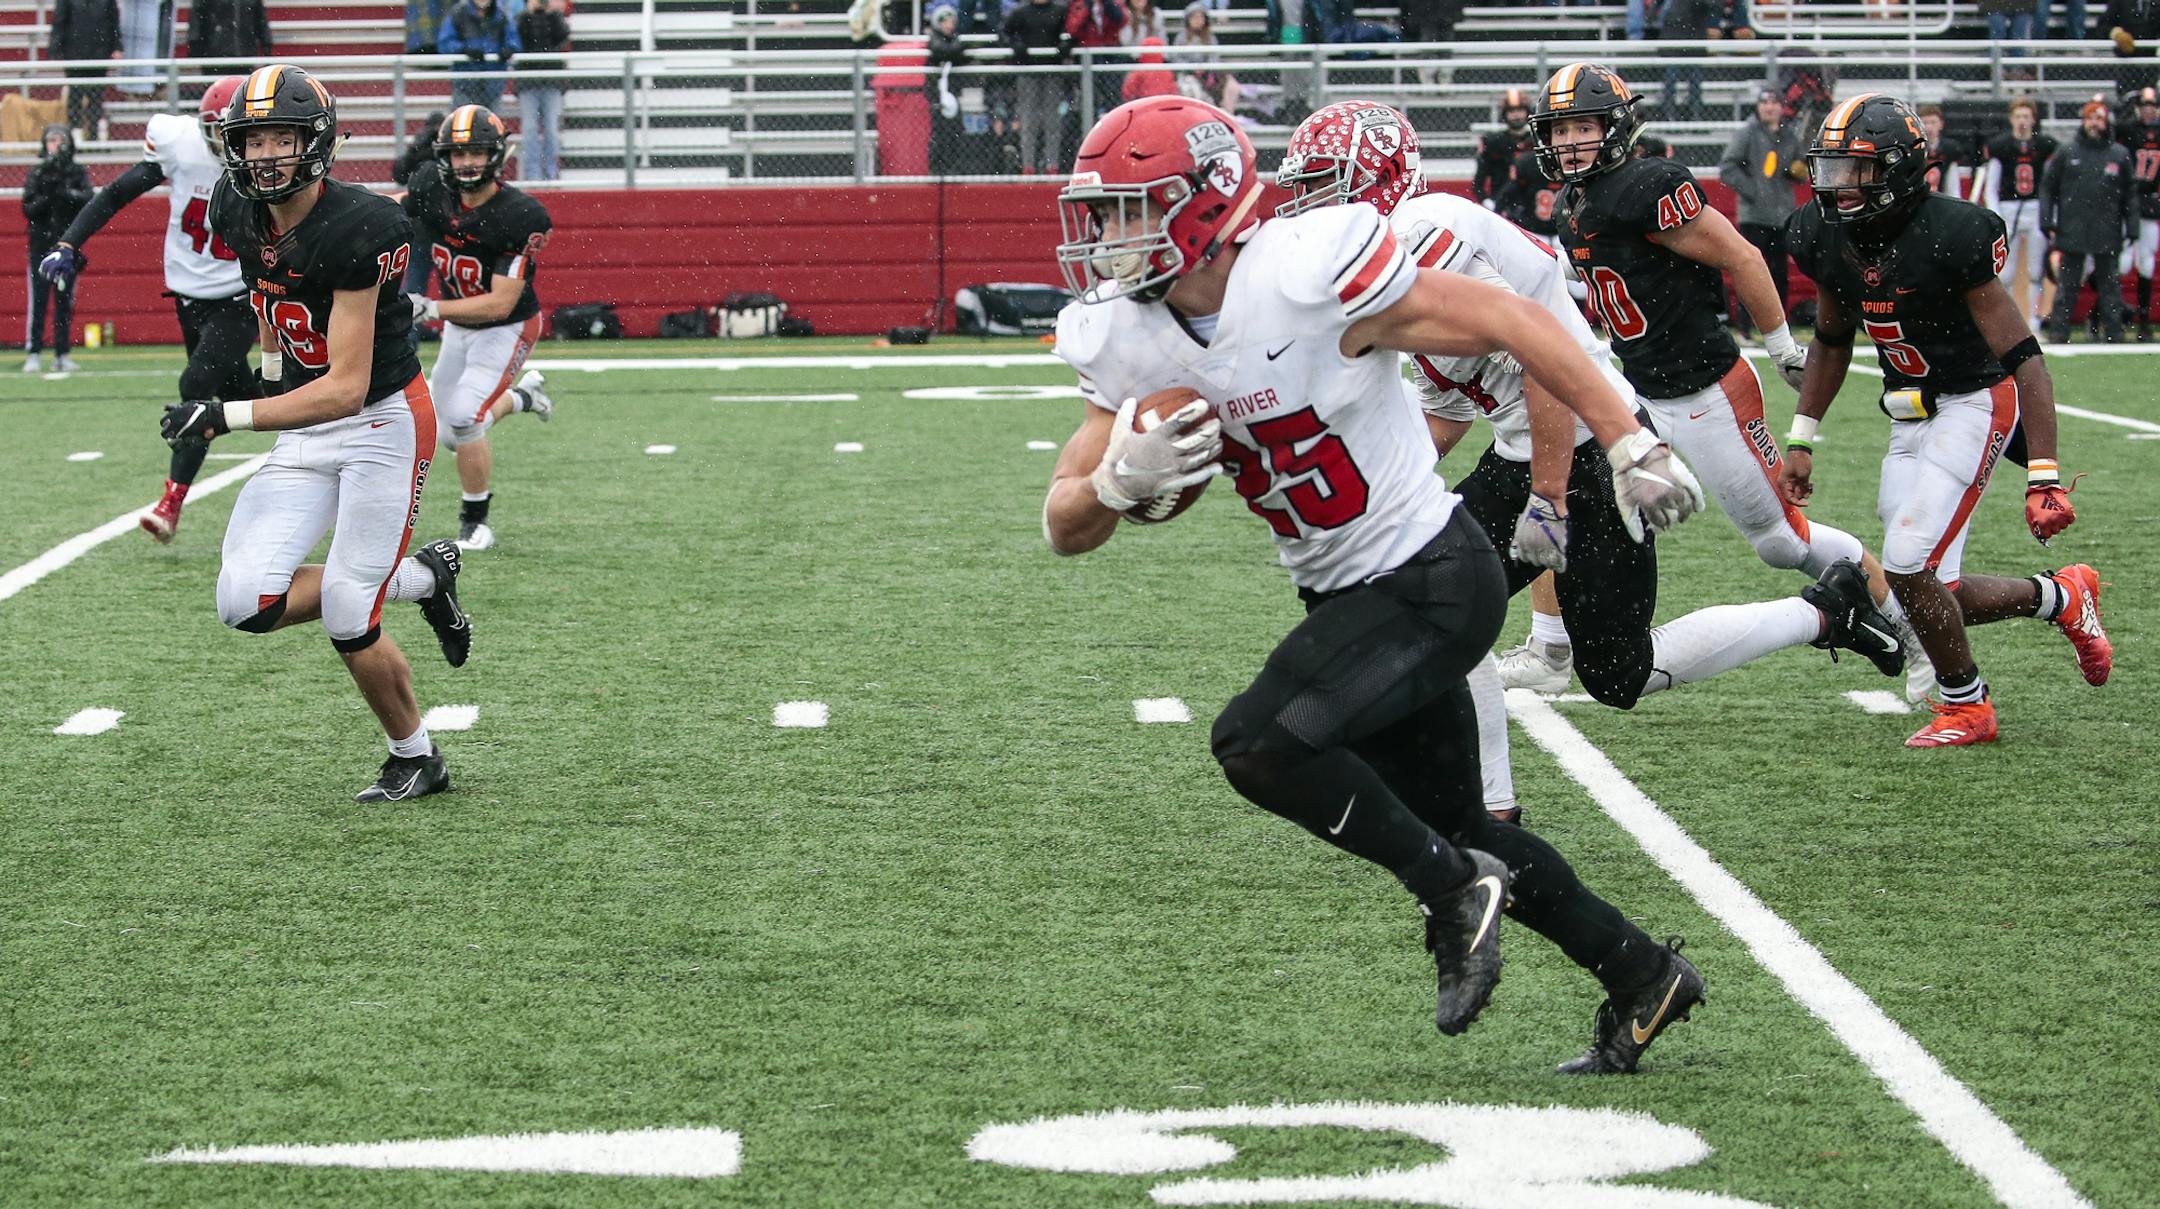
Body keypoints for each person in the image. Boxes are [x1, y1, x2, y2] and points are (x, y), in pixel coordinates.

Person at [1046, 95, 1711, 1072]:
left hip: (1432, 575)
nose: (1109, 237)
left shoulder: (1308, 271)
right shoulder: (1123, 335)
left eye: (1130, 210)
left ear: (1207, 200)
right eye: (1101, 214)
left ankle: (1450, 890)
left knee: (1255, 742)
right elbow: (1064, 523)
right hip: (1347, 596)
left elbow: (1514, 318)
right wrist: (1112, 483)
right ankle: (1643, 973)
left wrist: (1627, 442)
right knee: (1460, 824)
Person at [1278, 100, 1900, 812]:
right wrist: (1361, 490)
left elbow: (1544, 359)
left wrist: (1548, 497)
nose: (1305, 203)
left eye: (1321, 183)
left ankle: (1824, 612)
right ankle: (1493, 809)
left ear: (1378, 179)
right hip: (1526, 454)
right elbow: (1449, 410)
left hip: (1590, 453)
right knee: (1433, 604)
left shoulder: (1424, 234)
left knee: (1615, 672)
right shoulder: (1387, 257)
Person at [1515, 63, 1912, 696]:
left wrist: (1782, 348)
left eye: (1582, 127)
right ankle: (1548, 645)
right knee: (1561, 489)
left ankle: (1907, 627)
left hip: (1707, 392)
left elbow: (1742, 256)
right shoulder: (1572, 202)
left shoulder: (1649, 185)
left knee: (1782, 543)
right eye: (1559, 130)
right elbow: (1605, 277)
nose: (1567, 143)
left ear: (1615, 127)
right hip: (1641, 394)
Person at [174, 64, 474, 802]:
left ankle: (416, 757)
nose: (265, 154)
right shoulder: (234, 206)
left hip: (380, 420)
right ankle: (425, 577)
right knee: (244, 601)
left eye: (281, 138)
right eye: (252, 139)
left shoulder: (360, 227)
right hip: (307, 420)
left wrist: (226, 414)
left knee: (346, 608)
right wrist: (269, 373)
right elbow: (267, 294)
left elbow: (345, 386)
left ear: (317, 142)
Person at [1785, 92, 2110, 746]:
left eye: (1857, 170)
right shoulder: (1824, 234)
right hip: (1907, 413)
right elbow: (1832, 339)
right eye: (1833, 168)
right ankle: (2061, 596)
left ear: (1900, 170)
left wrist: (2043, 475)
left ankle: (1968, 706)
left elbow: (2025, 358)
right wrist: (1803, 435)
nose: (1839, 185)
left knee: (1906, 563)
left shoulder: (1951, 232)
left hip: (1975, 401)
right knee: (1932, 589)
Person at [40, 78, 259, 543]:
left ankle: (170, 502)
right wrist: (69, 242)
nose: (226, 143)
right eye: (217, 132)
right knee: (243, 391)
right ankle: (316, 407)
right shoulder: (179, 144)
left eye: (236, 133)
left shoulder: (267, 162)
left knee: (195, 389)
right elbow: (117, 194)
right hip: (188, 295)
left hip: (240, 296)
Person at [403, 105, 556, 552]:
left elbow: (501, 302)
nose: (467, 162)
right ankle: (524, 398)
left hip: (507, 327)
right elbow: (395, 208)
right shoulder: (432, 188)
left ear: (496, 155)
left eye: (477, 152)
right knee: (449, 433)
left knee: (465, 416)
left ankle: (475, 521)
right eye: (459, 153)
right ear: (444, 157)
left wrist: (430, 308)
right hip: (459, 322)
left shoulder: (519, 215)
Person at [2040, 98, 2137, 343]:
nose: (2094, 124)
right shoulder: (2067, 151)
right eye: (2090, 118)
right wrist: (2046, 220)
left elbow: (2130, 194)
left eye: (2098, 119)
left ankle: (2114, 332)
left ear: (2106, 122)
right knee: (2067, 286)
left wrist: (2132, 227)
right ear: (2083, 121)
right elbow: (2048, 187)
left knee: (2110, 287)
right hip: (2073, 228)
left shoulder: (2119, 154)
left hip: (2107, 229)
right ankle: (2059, 332)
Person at [1718, 88, 1805, 336]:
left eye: (1774, 102)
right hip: (1754, 216)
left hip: (1781, 215)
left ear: (1781, 107)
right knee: (1749, 271)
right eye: (1765, 102)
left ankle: (1780, 327)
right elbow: (1728, 168)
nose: (1769, 107)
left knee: (1779, 275)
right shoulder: (1747, 133)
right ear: (1758, 106)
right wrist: (1754, 191)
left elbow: (1799, 170)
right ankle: (1745, 327)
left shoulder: (1789, 135)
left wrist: (1798, 171)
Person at [1983, 98, 2059, 330]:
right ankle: (2008, 322)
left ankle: (2034, 320)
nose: (2022, 121)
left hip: (2035, 207)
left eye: (2026, 116)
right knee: (2005, 272)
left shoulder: (2044, 145)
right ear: (2011, 119)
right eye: (2018, 116)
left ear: (2034, 119)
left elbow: (2050, 184)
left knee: (2036, 270)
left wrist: (2049, 213)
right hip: (2009, 207)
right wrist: (1997, 216)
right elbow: (1991, 187)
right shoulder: (2000, 146)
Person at [21, 125, 91, 375]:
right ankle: (34, 352)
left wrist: (65, 193)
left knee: (64, 302)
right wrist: (49, 195)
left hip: (67, 246)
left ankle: (62, 353)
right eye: (52, 140)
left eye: (61, 140)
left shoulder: (76, 172)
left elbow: (87, 201)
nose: (56, 145)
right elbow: (29, 208)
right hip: (41, 246)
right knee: (39, 301)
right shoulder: (38, 172)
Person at [1001, 0, 1070, 175]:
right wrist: (1016, 45)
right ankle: (1028, 166)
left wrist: (1065, 45)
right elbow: (1004, 34)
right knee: (1028, 120)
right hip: (1028, 71)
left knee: (1052, 121)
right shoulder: (1020, 12)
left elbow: (1071, 33)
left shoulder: (1060, 11)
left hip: (1052, 71)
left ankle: (1052, 165)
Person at [2117, 86, 2160, 339]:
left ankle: (2143, 319)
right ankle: (2106, 313)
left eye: (2152, 107)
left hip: (2151, 203)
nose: (2148, 112)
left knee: (2146, 263)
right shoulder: (2130, 130)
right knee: (2122, 263)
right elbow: (2114, 127)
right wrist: (2126, 107)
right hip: (2128, 201)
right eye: (2144, 107)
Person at [50, 0, 122, 138]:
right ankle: (76, 133)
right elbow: (59, 21)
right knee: (75, 94)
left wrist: (117, 46)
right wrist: (55, 49)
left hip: (99, 52)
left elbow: (113, 20)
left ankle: (93, 134)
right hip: (74, 53)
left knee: (95, 95)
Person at [516, 0, 569, 182]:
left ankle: (550, 172)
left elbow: (561, 37)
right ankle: (532, 174)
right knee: (530, 129)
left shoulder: (555, 18)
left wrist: (551, 14)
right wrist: (529, 15)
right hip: (528, 82)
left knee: (551, 129)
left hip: (551, 81)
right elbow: (519, 39)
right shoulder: (522, 19)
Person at [439, 0, 519, 112]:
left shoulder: (502, 14)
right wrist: (464, 49)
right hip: (465, 83)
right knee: (465, 120)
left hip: (493, 85)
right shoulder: (458, 13)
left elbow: (513, 40)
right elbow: (445, 43)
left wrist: (509, 49)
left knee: (491, 121)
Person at [1472, 89, 1534, 212]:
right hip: (1502, 204)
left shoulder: (1536, 140)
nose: (1516, 115)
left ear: (1527, 112)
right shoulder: (1493, 142)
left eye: (1520, 110)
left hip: (1531, 206)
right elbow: (1479, 182)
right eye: (1512, 111)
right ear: (1505, 114)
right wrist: (1486, 201)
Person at [186, 0, 272, 61]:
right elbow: (197, 17)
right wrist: (194, 44)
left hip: (243, 52)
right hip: (214, 53)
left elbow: (260, 19)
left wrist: (266, 44)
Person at [2107, 0, 2160, 97]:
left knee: (2152, 99)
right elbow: (2105, 25)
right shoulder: (2120, 2)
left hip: (2154, 63)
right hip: (2127, 63)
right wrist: (2117, 34)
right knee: (2128, 98)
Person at [1918, 103, 1972, 197]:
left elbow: (1953, 187)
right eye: (1925, 123)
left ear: (1941, 124)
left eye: (1933, 122)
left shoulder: (1949, 149)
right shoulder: (1914, 148)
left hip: (1941, 195)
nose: (1929, 127)